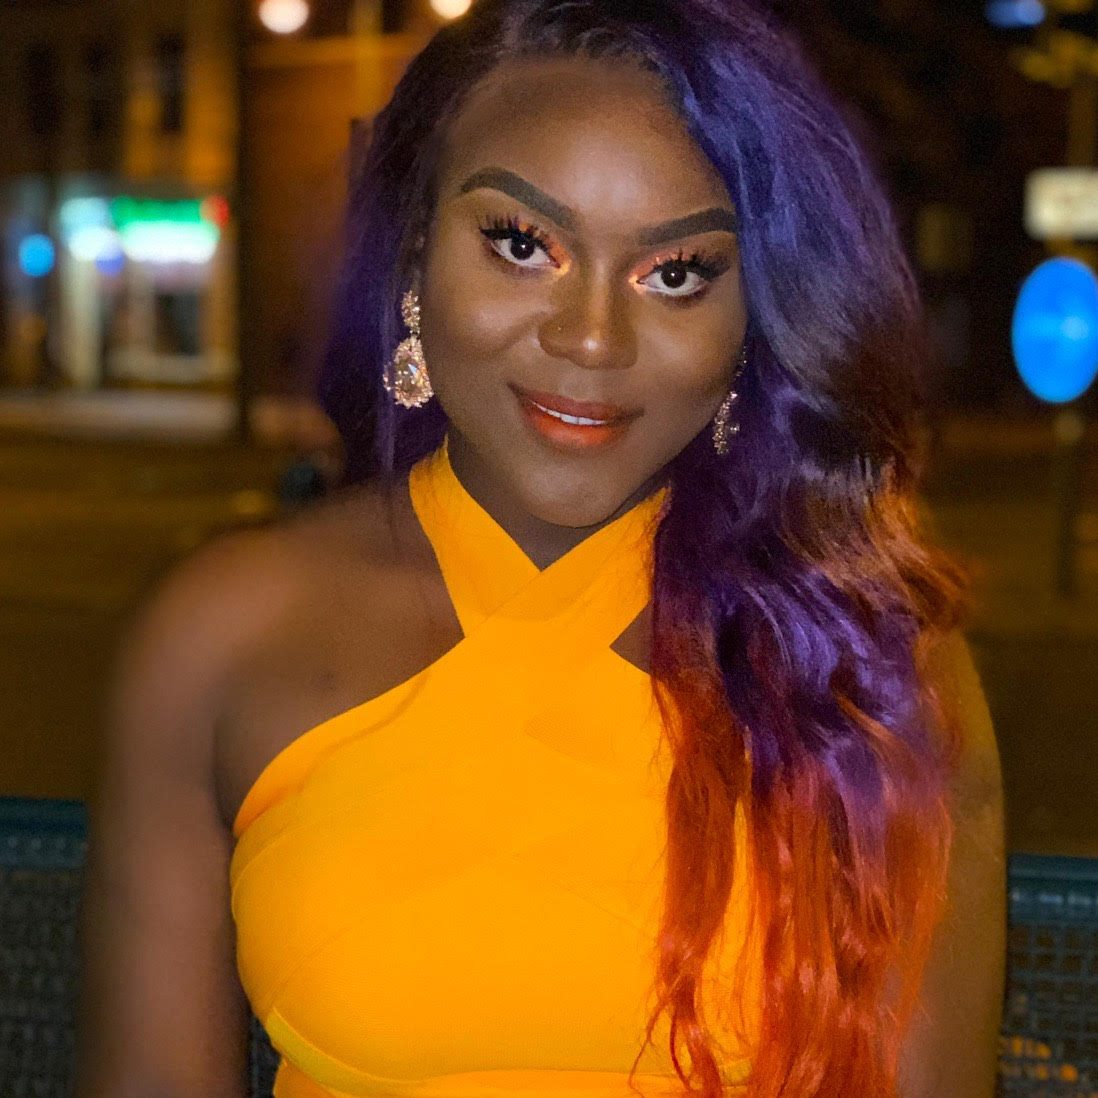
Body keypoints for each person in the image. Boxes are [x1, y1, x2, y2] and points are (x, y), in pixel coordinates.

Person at [75, 2, 1006, 1096]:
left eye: (677, 272)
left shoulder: (872, 662)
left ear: (756, 314)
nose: (591, 337)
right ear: (414, 254)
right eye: (523, 245)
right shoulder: (222, 638)